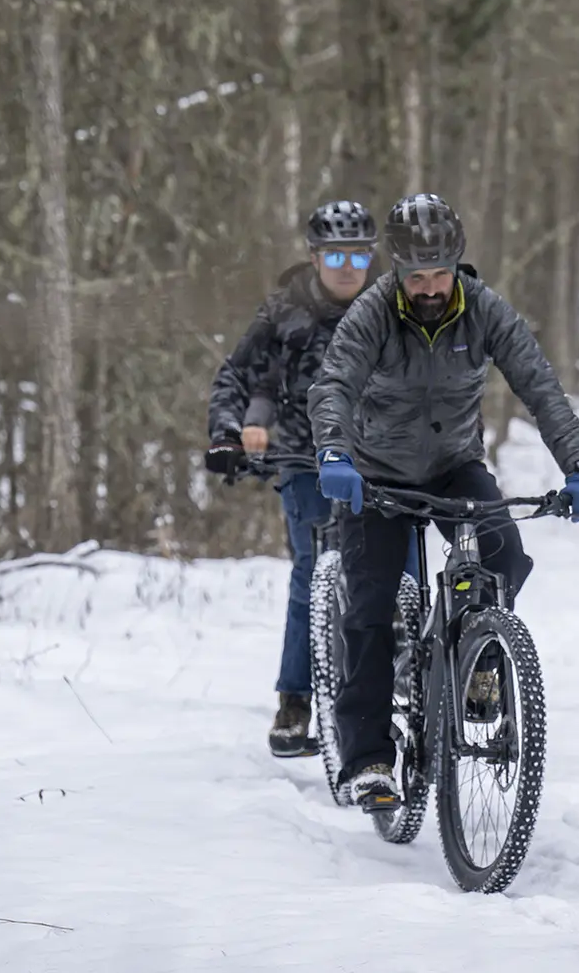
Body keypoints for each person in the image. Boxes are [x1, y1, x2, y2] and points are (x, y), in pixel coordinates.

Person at [307, 192, 579, 810]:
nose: (429, 286)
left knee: (505, 554)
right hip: (376, 477)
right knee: (367, 609)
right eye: (416, 275)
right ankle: (368, 760)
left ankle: (479, 664)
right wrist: (334, 454)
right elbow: (334, 385)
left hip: (453, 469)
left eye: (439, 272)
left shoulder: (484, 310)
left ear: (456, 265)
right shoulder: (371, 314)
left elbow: (540, 387)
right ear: (397, 271)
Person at [205, 199, 383, 758]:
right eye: (336, 254)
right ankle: (295, 699)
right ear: (313, 257)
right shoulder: (284, 312)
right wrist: (232, 432)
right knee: (314, 568)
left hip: (383, 463)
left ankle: (412, 680)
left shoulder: (394, 307)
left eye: (359, 254)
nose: (348, 267)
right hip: (304, 460)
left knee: (398, 570)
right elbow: (236, 374)